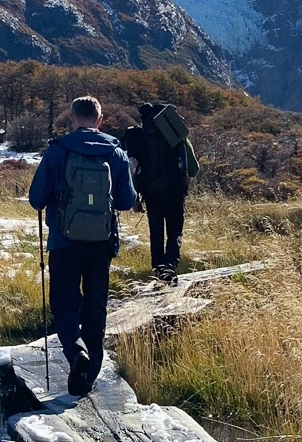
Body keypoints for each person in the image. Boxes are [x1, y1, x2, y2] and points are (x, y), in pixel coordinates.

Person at [28, 94, 138, 396]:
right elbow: (128, 201)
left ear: (73, 118)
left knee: (64, 303)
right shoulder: (115, 151)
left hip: (64, 241)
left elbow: (36, 198)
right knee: (95, 306)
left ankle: (75, 352)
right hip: (101, 244)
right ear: (99, 120)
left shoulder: (58, 150)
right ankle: (87, 378)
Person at [125, 99, 194, 279]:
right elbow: (194, 169)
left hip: (150, 191)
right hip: (175, 192)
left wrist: (136, 197)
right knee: (174, 231)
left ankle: (157, 268)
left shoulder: (140, 136)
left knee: (156, 231)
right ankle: (169, 266)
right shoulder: (179, 137)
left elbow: (133, 167)